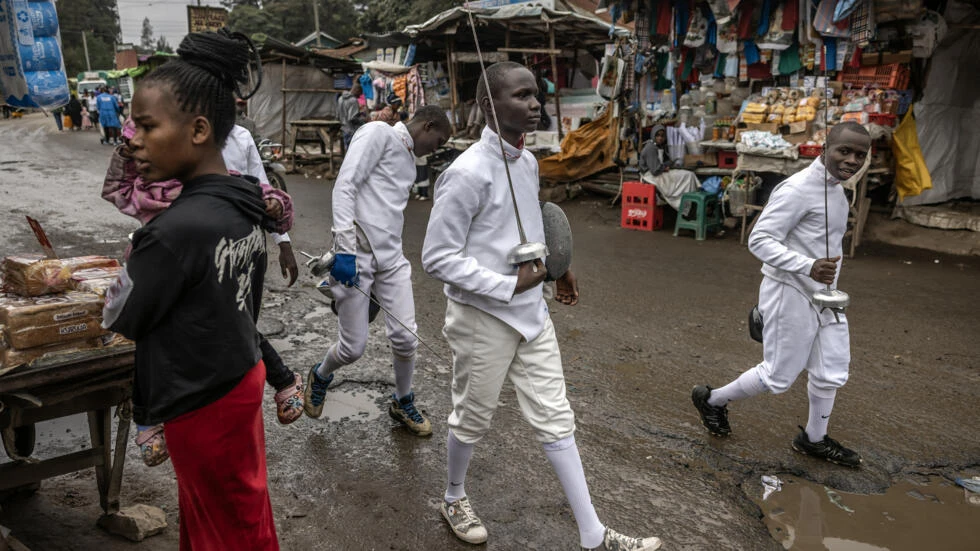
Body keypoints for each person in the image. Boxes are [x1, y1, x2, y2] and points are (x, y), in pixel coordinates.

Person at [421, 61, 662, 551]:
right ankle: (453, 495)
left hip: (532, 312)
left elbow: (526, 228)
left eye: (537, 95)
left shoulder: (528, 162)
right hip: (482, 316)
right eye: (522, 96)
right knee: (472, 416)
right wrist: (506, 285)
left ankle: (593, 535)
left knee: (556, 417)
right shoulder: (465, 173)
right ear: (489, 105)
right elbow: (436, 257)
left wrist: (556, 265)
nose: (534, 105)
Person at [101, 29, 280, 550]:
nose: (131, 138)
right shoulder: (247, 201)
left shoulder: (174, 230)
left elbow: (120, 316)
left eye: (147, 125)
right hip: (239, 372)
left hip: (199, 395)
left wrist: (135, 261)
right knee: (233, 510)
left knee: (225, 526)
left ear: (199, 130)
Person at [691, 122, 872, 469]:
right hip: (788, 290)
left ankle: (813, 440)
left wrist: (820, 276)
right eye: (844, 151)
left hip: (825, 295)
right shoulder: (798, 189)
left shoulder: (838, 189)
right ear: (824, 149)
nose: (851, 160)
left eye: (859, 155)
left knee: (831, 369)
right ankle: (712, 400)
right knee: (778, 376)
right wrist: (807, 266)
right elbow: (759, 240)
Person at [303, 106, 451, 437]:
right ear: (427, 125)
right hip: (356, 255)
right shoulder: (377, 133)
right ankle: (322, 374)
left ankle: (402, 401)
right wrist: (344, 249)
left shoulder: (410, 162)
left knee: (405, 337)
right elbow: (345, 186)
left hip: (391, 258)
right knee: (352, 348)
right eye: (438, 141)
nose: (436, 149)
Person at [639, 125, 700, 212]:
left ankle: (688, 206)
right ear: (653, 135)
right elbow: (655, 170)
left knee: (689, 175)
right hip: (650, 177)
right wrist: (665, 167)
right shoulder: (650, 148)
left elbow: (661, 164)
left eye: (662, 136)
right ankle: (685, 208)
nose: (660, 138)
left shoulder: (659, 146)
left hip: (657, 173)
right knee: (687, 176)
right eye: (658, 135)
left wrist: (669, 163)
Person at [337, 81, 362, 150]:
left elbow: (338, 115)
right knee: (353, 150)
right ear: (356, 90)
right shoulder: (353, 100)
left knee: (347, 151)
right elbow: (352, 118)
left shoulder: (340, 98)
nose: (360, 96)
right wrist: (363, 121)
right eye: (360, 93)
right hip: (351, 130)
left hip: (344, 128)